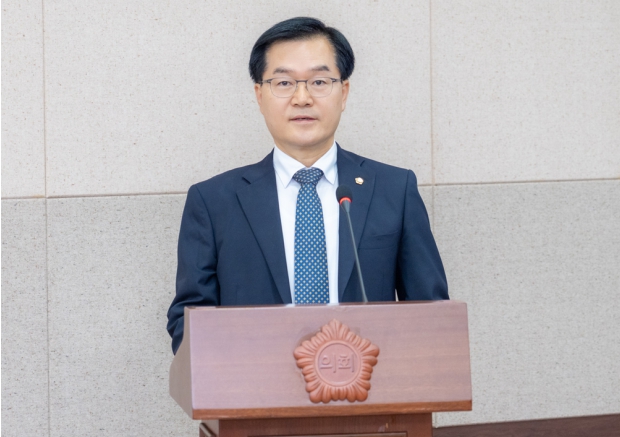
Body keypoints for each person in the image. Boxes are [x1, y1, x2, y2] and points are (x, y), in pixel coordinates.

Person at [167, 17, 448, 354]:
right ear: (259, 95)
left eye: (319, 81)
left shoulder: (394, 189)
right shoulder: (214, 202)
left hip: (370, 382)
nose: (302, 98)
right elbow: (189, 322)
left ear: (343, 92)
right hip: (256, 383)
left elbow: (431, 315)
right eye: (284, 83)